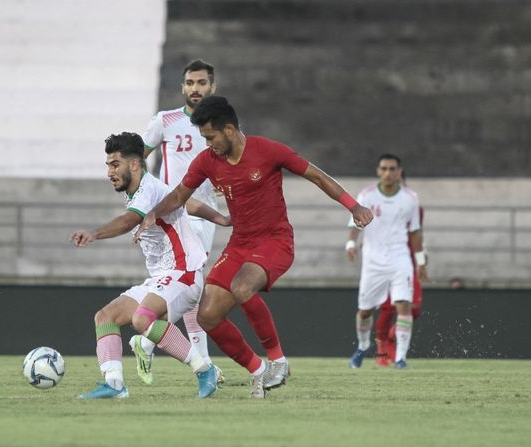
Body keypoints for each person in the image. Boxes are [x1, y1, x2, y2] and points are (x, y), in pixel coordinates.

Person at [135, 96, 373, 398]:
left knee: (242, 287)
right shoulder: (207, 161)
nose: (208, 144)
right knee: (207, 316)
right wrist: (153, 214)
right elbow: (180, 194)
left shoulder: (267, 151)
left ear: (230, 130)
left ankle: (278, 361)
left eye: (211, 137)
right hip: (240, 245)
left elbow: (315, 175)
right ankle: (258, 371)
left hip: (275, 241)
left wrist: (353, 206)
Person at [70, 132, 231, 399]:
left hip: (184, 273)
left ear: (134, 164)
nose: (109, 172)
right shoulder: (147, 189)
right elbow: (184, 201)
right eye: (108, 165)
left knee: (142, 318)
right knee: (105, 317)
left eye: (114, 164)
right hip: (162, 277)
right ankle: (114, 384)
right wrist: (221, 218)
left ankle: (205, 369)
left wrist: (95, 233)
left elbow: (128, 221)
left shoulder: (147, 189)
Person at [128, 59, 222, 385]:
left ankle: (147, 338)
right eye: (190, 83)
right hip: (175, 213)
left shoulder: (222, 125)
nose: (195, 89)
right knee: (193, 284)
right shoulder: (165, 121)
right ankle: (203, 363)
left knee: (191, 288)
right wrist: (146, 198)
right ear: (183, 87)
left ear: (212, 87)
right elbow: (135, 158)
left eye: (201, 83)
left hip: (207, 212)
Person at [346, 154, 428, 369]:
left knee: (403, 306)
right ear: (378, 171)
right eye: (384, 168)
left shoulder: (410, 198)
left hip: (400, 259)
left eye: (392, 169)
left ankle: (400, 358)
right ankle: (363, 346)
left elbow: (416, 232)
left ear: (399, 172)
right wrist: (351, 245)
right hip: (373, 260)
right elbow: (355, 224)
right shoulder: (367, 196)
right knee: (365, 311)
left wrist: (420, 262)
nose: (388, 173)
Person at [373, 172, 425, 366]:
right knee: (387, 308)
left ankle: (392, 338)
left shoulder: (413, 206)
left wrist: (421, 259)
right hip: (384, 262)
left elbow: (417, 234)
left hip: (407, 262)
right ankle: (382, 353)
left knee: (413, 308)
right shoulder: (375, 205)